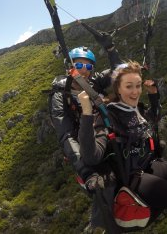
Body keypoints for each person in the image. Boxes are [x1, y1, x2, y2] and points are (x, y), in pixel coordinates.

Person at [78, 61, 167, 234]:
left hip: (149, 163)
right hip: (132, 175)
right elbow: (92, 156)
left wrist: (154, 95)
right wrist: (86, 114)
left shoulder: (137, 109)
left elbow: (152, 121)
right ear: (118, 89)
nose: (135, 91)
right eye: (129, 86)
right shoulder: (109, 116)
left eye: (138, 86)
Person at [49, 43, 122, 230]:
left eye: (88, 66)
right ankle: (102, 226)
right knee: (104, 185)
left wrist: (111, 50)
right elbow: (66, 134)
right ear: (70, 67)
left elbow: (118, 72)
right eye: (79, 65)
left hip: (105, 136)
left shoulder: (94, 83)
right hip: (83, 147)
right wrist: (85, 171)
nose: (84, 70)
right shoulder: (60, 94)